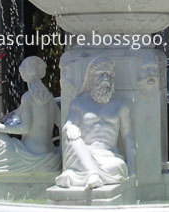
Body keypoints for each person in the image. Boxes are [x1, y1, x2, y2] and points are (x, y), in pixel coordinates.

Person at [56, 56, 135, 189]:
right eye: (100, 74)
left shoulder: (121, 105)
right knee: (74, 139)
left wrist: (132, 167)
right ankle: (93, 175)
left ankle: (74, 175)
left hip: (109, 156)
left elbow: (127, 137)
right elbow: (68, 125)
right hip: (83, 151)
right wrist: (70, 127)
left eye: (108, 74)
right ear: (91, 78)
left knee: (117, 166)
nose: (105, 78)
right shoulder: (78, 103)